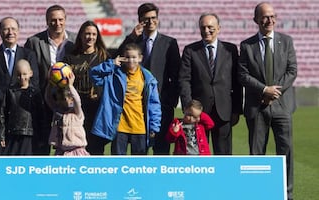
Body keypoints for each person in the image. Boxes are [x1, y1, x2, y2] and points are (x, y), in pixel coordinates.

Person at [238, 3, 297, 200]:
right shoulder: (247, 45)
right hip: (257, 107)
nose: (269, 20)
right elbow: (243, 75)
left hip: (282, 106)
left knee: (286, 151)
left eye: (272, 16)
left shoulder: (286, 41)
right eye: (264, 17)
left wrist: (274, 92)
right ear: (256, 20)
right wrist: (264, 90)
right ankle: (258, 194)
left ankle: (286, 194)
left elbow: (292, 71)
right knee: (256, 154)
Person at [115, 3, 181, 155]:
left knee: (161, 148)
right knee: (137, 151)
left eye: (153, 18)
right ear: (140, 20)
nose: (151, 22)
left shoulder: (169, 43)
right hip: (133, 106)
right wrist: (131, 37)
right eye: (146, 19)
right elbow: (116, 60)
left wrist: (170, 101)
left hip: (160, 104)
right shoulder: (133, 42)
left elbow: (176, 75)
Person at [179, 13, 242, 155]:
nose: (206, 30)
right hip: (198, 113)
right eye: (203, 27)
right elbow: (184, 80)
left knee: (224, 156)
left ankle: (224, 178)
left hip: (224, 111)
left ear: (219, 28)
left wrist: (236, 110)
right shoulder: (190, 50)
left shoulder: (230, 50)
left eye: (210, 27)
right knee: (197, 154)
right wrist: (189, 109)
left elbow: (236, 83)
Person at [0, 17, 40, 155]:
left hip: (23, 119)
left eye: (13, 29)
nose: (10, 32)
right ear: (0, 32)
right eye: (6, 29)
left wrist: (16, 101)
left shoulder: (29, 55)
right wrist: (7, 100)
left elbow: (34, 82)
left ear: (18, 31)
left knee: (22, 162)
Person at [90, 43, 161, 155]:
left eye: (134, 57)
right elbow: (94, 74)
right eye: (127, 57)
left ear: (140, 58)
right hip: (119, 127)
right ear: (122, 58)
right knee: (118, 163)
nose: (130, 60)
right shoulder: (114, 74)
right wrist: (111, 63)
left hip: (140, 126)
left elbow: (154, 104)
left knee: (139, 167)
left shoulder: (148, 78)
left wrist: (154, 126)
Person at [24, 4, 77, 155]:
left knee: (68, 142)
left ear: (65, 20)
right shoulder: (34, 42)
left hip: (69, 100)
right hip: (43, 99)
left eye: (61, 19)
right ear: (47, 21)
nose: (57, 23)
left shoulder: (74, 40)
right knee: (42, 142)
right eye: (53, 20)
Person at [63, 20, 110, 155]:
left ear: (97, 36)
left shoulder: (104, 57)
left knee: (96, 150)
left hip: (98, 111)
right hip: (76, 111)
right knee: (76, 148)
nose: (90, 37)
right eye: (87, 34)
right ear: (81, 36)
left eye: (94, 34)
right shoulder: (70, 58)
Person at [0, 59, 44, 155]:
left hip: (30, 135)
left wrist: (42, 137)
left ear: (31, 73)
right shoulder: (10, 92)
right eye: (19, 74)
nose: (22, 77)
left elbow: (41, 117)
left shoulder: (36, 92)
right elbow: (2, 114)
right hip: (13, 134)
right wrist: (1, 136)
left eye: (25, 74)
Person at [44, 71, 90, 156]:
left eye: (65, 99)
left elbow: (77, 100)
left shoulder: (77, 113)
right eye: (60, 100)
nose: (63, 102)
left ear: (71, 99)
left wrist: (70, 86)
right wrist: (50, 84)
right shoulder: (58, 112)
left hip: (76, 151)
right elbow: (48, 98)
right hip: (61, 151)